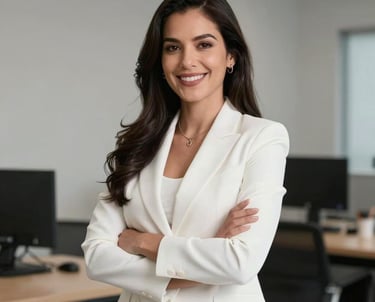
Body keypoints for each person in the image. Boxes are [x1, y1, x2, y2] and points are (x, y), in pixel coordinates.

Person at [82, 0, 289, 301]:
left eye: (203, 44)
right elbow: (97, 257)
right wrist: (208, 252)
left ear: (231, 56)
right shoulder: (138, 143)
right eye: (173, 47)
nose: (187, 62)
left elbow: (240, 262)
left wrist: (142, 242)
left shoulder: (262, 138)